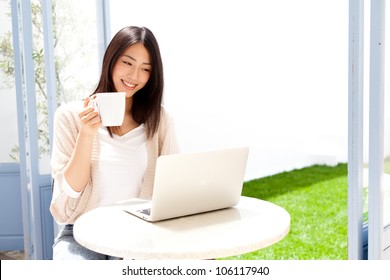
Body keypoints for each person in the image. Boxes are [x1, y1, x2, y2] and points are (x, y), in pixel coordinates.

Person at [50, 26, 180, 260]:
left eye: (145, 69)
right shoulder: (69, 116)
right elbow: (69, 191)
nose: (134, 76)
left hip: (140, 234)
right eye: (127, 63)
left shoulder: (160, 121)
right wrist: (86, 134)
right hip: (82, 234)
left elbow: (174, 186)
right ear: (111, 60)